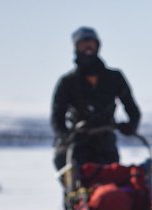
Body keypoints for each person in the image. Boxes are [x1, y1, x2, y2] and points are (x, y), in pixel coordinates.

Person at [51, 27, 141, 171]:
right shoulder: (68, 82)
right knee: (77, 188)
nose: (88, 48)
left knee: (110, 187)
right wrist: (67, 136)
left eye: (91, 43)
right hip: (77, 147)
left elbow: (132, 109)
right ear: (76, 47)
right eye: (83, 44)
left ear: (98, 46)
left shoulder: (114, 78)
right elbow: (57, 117)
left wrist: (131, 126)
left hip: (106, 147)